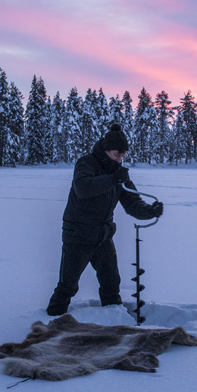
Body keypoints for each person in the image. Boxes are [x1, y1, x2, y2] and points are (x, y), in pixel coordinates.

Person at [46, 124, 163, 317]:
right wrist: (111, 179)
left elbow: (132, 201)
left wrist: (150, 211)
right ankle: (49, 324)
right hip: (77, 236)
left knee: (111, 284)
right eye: (117, 154)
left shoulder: (119, 174)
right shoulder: (86, 163)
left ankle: (113, 322)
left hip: (103, 236)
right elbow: (83, 188)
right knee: (67, 286)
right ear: (106, 149)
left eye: (123, 155)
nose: (120, 159)